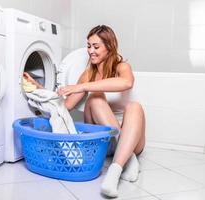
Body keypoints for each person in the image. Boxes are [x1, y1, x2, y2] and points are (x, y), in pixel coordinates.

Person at [24, 25, 145, 198]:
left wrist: (81, 86)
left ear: (109, 46)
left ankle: (119, 165)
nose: (90, 51)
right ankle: (123, 164)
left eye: (96, 47)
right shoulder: (88, 73)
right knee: (95, 98)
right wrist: (39, 87)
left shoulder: (122, 66)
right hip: (105, 141)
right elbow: (66, 106)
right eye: (89, 46)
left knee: (135, 107)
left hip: (132, 138)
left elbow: (126, 83)